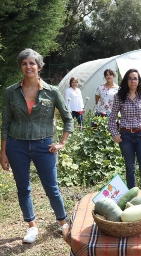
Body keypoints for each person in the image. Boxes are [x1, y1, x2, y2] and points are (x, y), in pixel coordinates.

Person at [0, 48, 74, 243]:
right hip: (16, 146)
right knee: (23, 188)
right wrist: (3, 152)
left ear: (39, 67)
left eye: (32, 63)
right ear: (20, 67)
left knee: (52, 188)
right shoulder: (10, 92)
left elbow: (68, 119)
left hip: (44, 146)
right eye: (24, 63)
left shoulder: (52, 91)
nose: (28, 66)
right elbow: (5, 124)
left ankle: (63, 223)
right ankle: (31, 226)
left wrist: (61, 143)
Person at [108, 69, 141, 190]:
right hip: (126, 136)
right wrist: (115, 134)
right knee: (130, 168)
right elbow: (112, 118)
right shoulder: (119, 97)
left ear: (139, 81)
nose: (132, 81)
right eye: (130, 78)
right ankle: (131, 195)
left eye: (135, 78)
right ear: (126, 81)